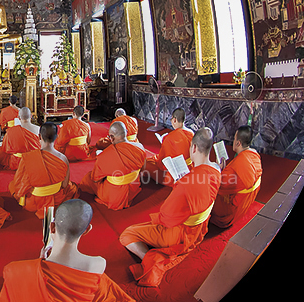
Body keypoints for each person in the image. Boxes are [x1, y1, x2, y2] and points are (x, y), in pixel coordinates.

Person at [0, 199, 152, 302]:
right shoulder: (97, 263)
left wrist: (38, 264)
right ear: (87, 230)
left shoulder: (13, 269)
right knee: (101, 281)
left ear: (51, 227)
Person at [119, 128, 222, 287]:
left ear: (193, 148)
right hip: (199, 228)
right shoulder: (217, 169)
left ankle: (149, 260)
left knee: (126, 235)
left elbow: (166, 217)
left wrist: (180, 186)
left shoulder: (187, 183)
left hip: (180, 233)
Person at [9, 122, 79, 218]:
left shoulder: (28, 158)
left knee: (12, 185)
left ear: (39, 136)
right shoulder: (63, 158)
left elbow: (20, 184)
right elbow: (64, 185)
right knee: (73, 187)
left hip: (34, 203)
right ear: (57, 136)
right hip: (57, 200)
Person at [81, 120, 146, 211]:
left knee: (88, 178)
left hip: (114, 195)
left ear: (111, 137)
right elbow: (143, 168)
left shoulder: (105, 155)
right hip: (133, 187)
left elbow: (95, 179)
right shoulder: (140, 147)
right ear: (126, 132)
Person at [211, 126, 263, 229]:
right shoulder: (254, 155)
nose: (233, 141)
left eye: (234, 139)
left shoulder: (238, 165)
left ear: (238, 143)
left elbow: (218, 185)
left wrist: (218, 169)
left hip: (229, 212)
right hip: (243, 206)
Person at [142, 108, 194, 186]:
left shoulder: (170, 138)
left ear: (175, 120)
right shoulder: (191, 133)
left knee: (145, 163)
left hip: (173, 175)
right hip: (189, 169)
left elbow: (162, 165)